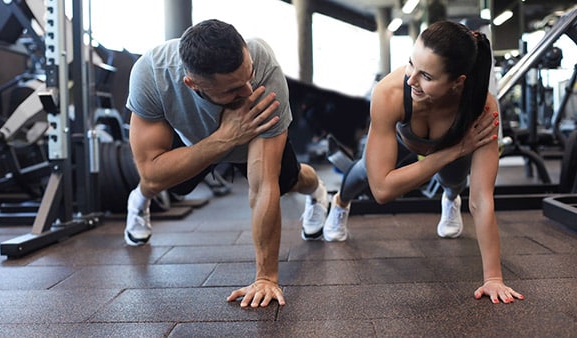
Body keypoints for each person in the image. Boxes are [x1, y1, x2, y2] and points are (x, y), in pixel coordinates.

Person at [124, 19, 329, 308]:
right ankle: (139, 200)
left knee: (287, 181)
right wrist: (225, 137)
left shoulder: (263, 64)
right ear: (192, 84)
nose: (247, 91)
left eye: (249, 76)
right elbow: (152, 171)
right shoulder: (152, 74)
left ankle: (319, 193)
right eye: (233, 89)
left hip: (252, 137)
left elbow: (262, 186)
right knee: (162, 183)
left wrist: (266, 279)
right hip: (195, 139)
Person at [323, 21, 524, 304]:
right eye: (410, 64)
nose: (410, 79)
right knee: (364, 172)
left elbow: (481, 198)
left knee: (454, 181)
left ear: (458, 82)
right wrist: (453, 151)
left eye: (426, 75)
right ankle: (339, 204)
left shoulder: (482, 107)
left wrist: (493, 278)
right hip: (405, 140)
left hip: (448, 145)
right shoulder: (389, 93)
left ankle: (449, 199)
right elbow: (382, 192)